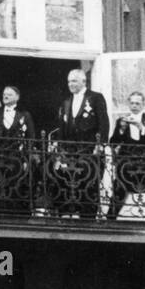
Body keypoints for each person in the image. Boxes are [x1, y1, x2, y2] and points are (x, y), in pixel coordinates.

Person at [51, 68, 109, 218]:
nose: (70, 84)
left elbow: (104, 122)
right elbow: (62, 127)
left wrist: (101, 144)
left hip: (89, 149)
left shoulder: (96, 97)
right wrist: (60, 148)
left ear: (84, 81)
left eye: (74, 81)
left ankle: (88, 218)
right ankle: (67, 214)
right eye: (69, 81)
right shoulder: (66, 102)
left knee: (89, 183)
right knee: (69, 182)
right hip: (70, 151)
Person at [107, 91, 145, 221]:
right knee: (119, 189)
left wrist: (141, 127)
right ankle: (109, 220)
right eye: (132, 103)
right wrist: (121, 130)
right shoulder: (122, 120)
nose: (134, 106)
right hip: (127, 164)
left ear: (143, 105)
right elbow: (113, 142)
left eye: (137, 103)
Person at [0, 86, 36, 213]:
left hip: (16, 157)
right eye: (4, 94)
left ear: (17, 97)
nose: (5, 96)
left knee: (16, 185)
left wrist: (26, 159)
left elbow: (31, 137)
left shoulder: (24, 115)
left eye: (9, 94)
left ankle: (17, 214)